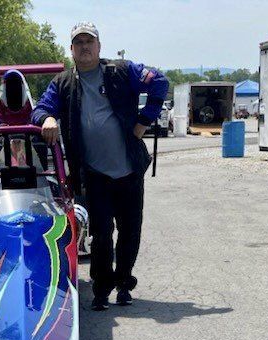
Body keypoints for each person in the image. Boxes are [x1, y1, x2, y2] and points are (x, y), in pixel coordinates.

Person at [31, 22, 168, 310]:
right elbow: (40, 108)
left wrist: (144, 121)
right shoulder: (63, 83)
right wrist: (48, 119)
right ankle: (102, 290)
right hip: (95, 174)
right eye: (78, 42)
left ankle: (124, 285)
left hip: (129, 169)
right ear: (71, 50)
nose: (84, 47)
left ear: (99, 46)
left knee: (131, 231)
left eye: (89, 41)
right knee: (101, 234)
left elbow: (159, 82)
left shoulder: (121, 71)